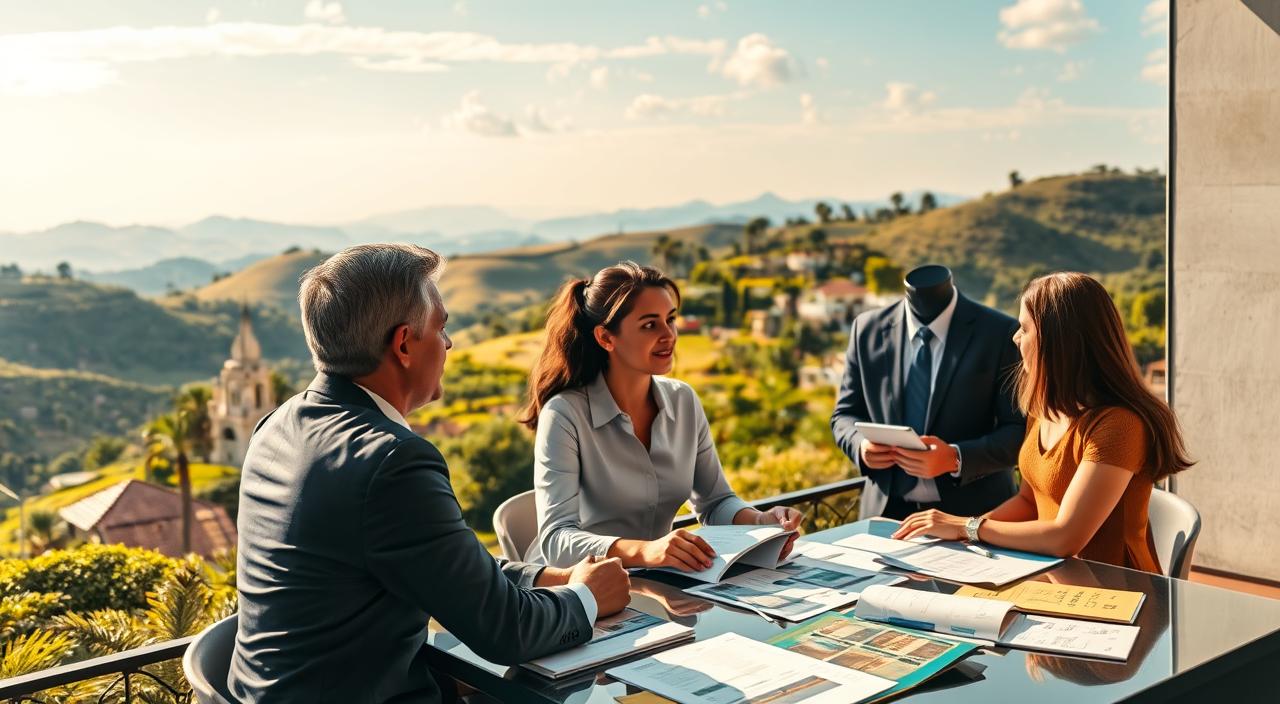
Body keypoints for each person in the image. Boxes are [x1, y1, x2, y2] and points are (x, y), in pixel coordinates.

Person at [229, 244, 631, 704]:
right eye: (441, 327)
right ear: (403, 344)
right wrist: (588, 597)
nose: (449, 343)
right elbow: (507, 632)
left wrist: (543, 578)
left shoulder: (278, 425)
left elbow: (438, 564)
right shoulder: (391, 462)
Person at [893, 272, 1193, 573]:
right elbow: (1028, 501)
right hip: (1053, 576)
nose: (1015, 337)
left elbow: (1066, 537)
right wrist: (969, 540)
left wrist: (966, 527)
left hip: (1117, 594)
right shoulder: (1044, 409)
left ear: (1057, 340)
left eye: (1024, 328)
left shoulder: (1119, 426)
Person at [519, 261, 803, 570]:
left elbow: (715, 501)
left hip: (660, 582)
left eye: (670, 320)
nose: (668, 334)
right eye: (649, 325)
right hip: (579, 590)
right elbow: (556, 541)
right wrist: (646, 552)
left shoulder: (683, 400)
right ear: (606, 338)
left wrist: (761, 521)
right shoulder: (564, 415)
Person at [832, 264, 1025, 520]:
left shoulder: (1000, 332)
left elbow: (1019, 429)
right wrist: (860, 445)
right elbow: (843, 415)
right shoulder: (866, 329)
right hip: (885, 517)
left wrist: (957, 458)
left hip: (973, 517)